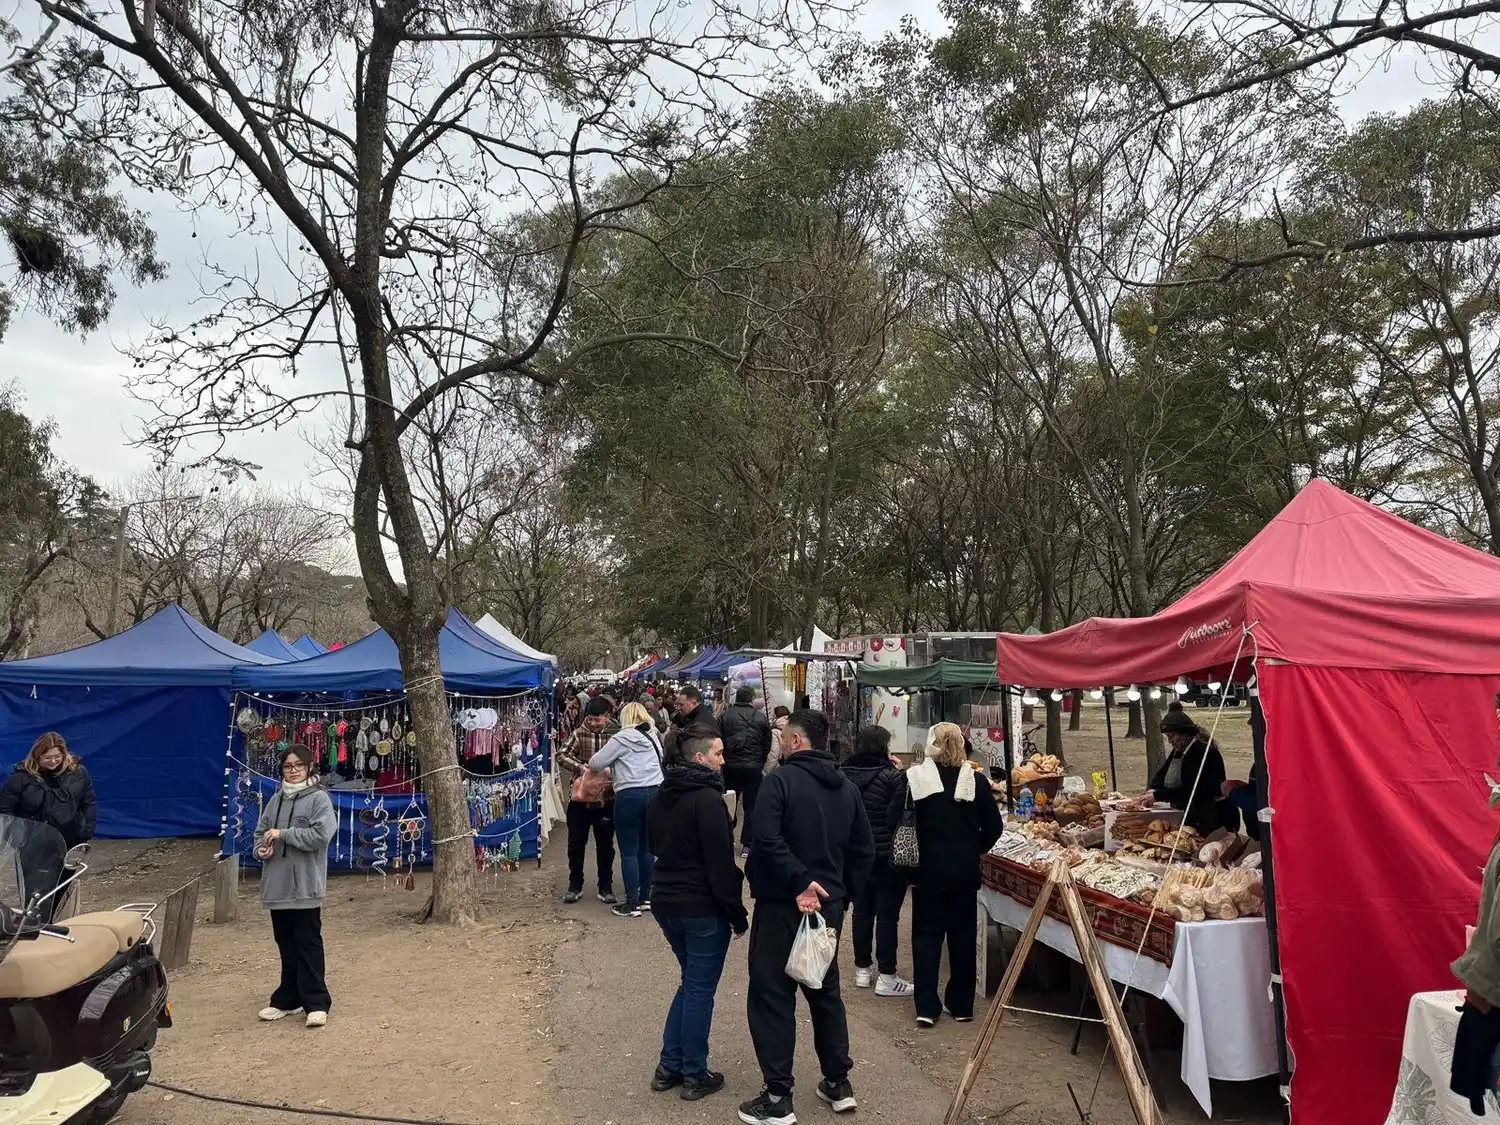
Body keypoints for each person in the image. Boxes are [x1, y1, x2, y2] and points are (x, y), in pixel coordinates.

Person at [740, 709, 874, 1125]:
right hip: (826, 907)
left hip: (785, 905)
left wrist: (802, 883)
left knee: (772, 995)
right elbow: (863, 851)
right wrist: (841, 896)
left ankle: (778, 1095)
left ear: (797, 741)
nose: (778, 744)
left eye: (783, 738)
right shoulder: (846, 788)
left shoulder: (779, 782)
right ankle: (838, 1081)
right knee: (824, 991)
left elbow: (764, 838)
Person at [647, 733, 747, 1102]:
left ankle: (669, 1066)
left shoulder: (661, 795)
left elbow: (651, 846)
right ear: (701, 757)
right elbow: (720, 865)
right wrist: (737, 914)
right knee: (699, 990)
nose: (724, 759)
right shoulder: (708, 800)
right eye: (718, 754)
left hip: (667, 902)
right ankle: (693, 1073)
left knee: (690, 984)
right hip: (700, 907)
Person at [887, 723, 1004, 1027]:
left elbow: (893, 820)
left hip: (926, 873)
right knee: (963, 939)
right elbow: (994, 827)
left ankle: (927, 1006)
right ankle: (961, 1004)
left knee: (926, 939)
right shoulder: (976, 782)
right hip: (964, 873)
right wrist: (974, 847)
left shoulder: (913, 779)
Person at [256, 744, 338, 1028]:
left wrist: (284, 834)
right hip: (277, 887)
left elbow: (321, 835)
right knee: (286, 944)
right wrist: (260, 850)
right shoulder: (275, 800)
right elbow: (260, 832)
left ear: (309, 767)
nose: (293, 771)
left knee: (308, 943)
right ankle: (288, 999)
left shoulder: (319, 799)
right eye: (288, 766)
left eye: (298, 765)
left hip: (305, 886)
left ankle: (316, 1002)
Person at [840, 726, 912, 998]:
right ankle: (887, 975)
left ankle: (862, 970)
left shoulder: (843, 774)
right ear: (884, 746)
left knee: (861, 910)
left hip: (856, 855)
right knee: (887, 915)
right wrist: (899, 771)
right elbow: (898, 817)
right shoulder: (893, 777)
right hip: (886, 855)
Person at [590, 701, 666, 917]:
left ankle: (631, 903)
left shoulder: (621, 738)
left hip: (630, 795)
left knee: (629, 850)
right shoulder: (652, 736)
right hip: (655, 792)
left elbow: (596, 763)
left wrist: (611, 766)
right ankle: (646, 897)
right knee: (647, 848)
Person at [557, 695, 619, 906]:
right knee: (576, 843)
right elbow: (561, 755)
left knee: (605, 845)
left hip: (606, 799)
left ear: (607, 718)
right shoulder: (578, 734)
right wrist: (583, 768)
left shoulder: (615, 737)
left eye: (597, 719)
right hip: (580, 800)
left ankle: (606, 886)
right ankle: (575, 885)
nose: (593, 723)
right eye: (590, 719)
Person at [0, 732, 97, 848]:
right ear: (37, 755)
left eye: (57, 756)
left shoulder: (78, 774)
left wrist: (86, 831)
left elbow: (88, 803)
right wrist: (16, 836)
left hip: (70, 841)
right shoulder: (20, 778)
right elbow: (5, 809)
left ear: (64, 754)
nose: (53, 761)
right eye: (47, 757)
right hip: (32, 842)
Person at [1151, 710, 1228, 835]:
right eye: (1167, 736)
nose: (1170, 741)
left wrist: (1158, 796)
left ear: (1184, 734)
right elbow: (1160, 777)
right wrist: (1154, 790)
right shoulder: (1180, 749)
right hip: (1190, 811)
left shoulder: (1202, 751)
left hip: (1211, 815)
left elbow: (1193, 790)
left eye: (1172, 736)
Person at [720, 686, 772, 857]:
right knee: (751, 807)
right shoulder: (761, 718)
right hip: (753, 768)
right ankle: (747, 845)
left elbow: (717, 740)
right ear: (751, 699)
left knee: (728, 803)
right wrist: (759, 761)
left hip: (729, 767)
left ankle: (727, 838)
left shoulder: (725, 716)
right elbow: (767, 744)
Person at [762, 706, 791, 776]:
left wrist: (764, 773)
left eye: (773, 715)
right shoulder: (795, 727)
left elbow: (773, 755)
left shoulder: (775, 732)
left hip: (780, 768)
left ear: (776, 716)